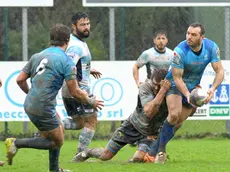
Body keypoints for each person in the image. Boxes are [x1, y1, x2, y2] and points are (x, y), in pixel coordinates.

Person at [5, 23, 104, 172]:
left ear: (51, 39)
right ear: (67, 40)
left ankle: (54, 169)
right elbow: (75, 92)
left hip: (31, 103)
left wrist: (32, 93)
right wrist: (91, 101)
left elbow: (19, 79)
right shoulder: (66, 61)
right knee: (57, 141)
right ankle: (16, 143)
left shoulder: (37, 56)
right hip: (43, 106)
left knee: (59, 130)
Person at [148, 22, 224, 164]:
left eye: (193, 34)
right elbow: (177, 77)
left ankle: (152, 150)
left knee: (178, 123)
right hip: (174, 85)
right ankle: (161, 152)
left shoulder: (212, 47)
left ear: (202, 37)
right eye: (188, 33)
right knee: (174, 115)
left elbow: (219, 71)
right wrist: (188, 95)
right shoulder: (180, 50)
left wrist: (212, 89)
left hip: (193, 87)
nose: (189, 37)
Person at [73, 68, 171, 163]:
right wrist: (162, 91)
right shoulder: (145, 87)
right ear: (151, 80)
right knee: (105, 156)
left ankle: (131, 162)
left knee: (138, 159)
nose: (156, 88)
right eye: (154, 84)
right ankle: (87, 152)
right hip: (132, 126)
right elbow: (149, 112)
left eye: (159, 86)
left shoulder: (172, 94)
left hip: (150, 133)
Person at [61, 12, 102, 162]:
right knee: (92, 121)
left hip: (70, 89)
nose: (86, 27)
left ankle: (53, 124)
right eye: (82, 25)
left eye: (87, 24)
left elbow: (72, 64)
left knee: (79, 123)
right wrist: (78, 90)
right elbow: (69, 66)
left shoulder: (76, 42)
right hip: (78, 89)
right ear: (74, 26)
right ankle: (80, 155)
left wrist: (88, 69)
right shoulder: (76, 46)